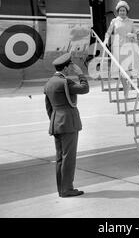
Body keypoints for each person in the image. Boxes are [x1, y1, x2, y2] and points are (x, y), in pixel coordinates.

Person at [44, 53, 89, 197]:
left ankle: (61, 189)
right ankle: (67, 189)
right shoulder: (65, 82)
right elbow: (84, 89)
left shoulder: (49, 83)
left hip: (56, 123)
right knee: (68, 158)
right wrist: (81, 73)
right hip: (68, 124)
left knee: (60, 159)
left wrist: (55, 121)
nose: (70, 69)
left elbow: (48, 108)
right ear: (65, 68)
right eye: (69, 66)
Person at [103, 0, 136, 97]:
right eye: (120, 10)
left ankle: (127, 86)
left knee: (128, 69)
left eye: (124, 10)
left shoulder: (131, 22)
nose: (122, 12)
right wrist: (105, 40)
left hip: (128, 47)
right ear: (118, 11)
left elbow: (137, 35)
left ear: (127, 12)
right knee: (121, 69)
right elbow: (108, 32)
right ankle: (126, 87)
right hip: (117, 47)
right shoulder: (114, 21)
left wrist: (132, 34)